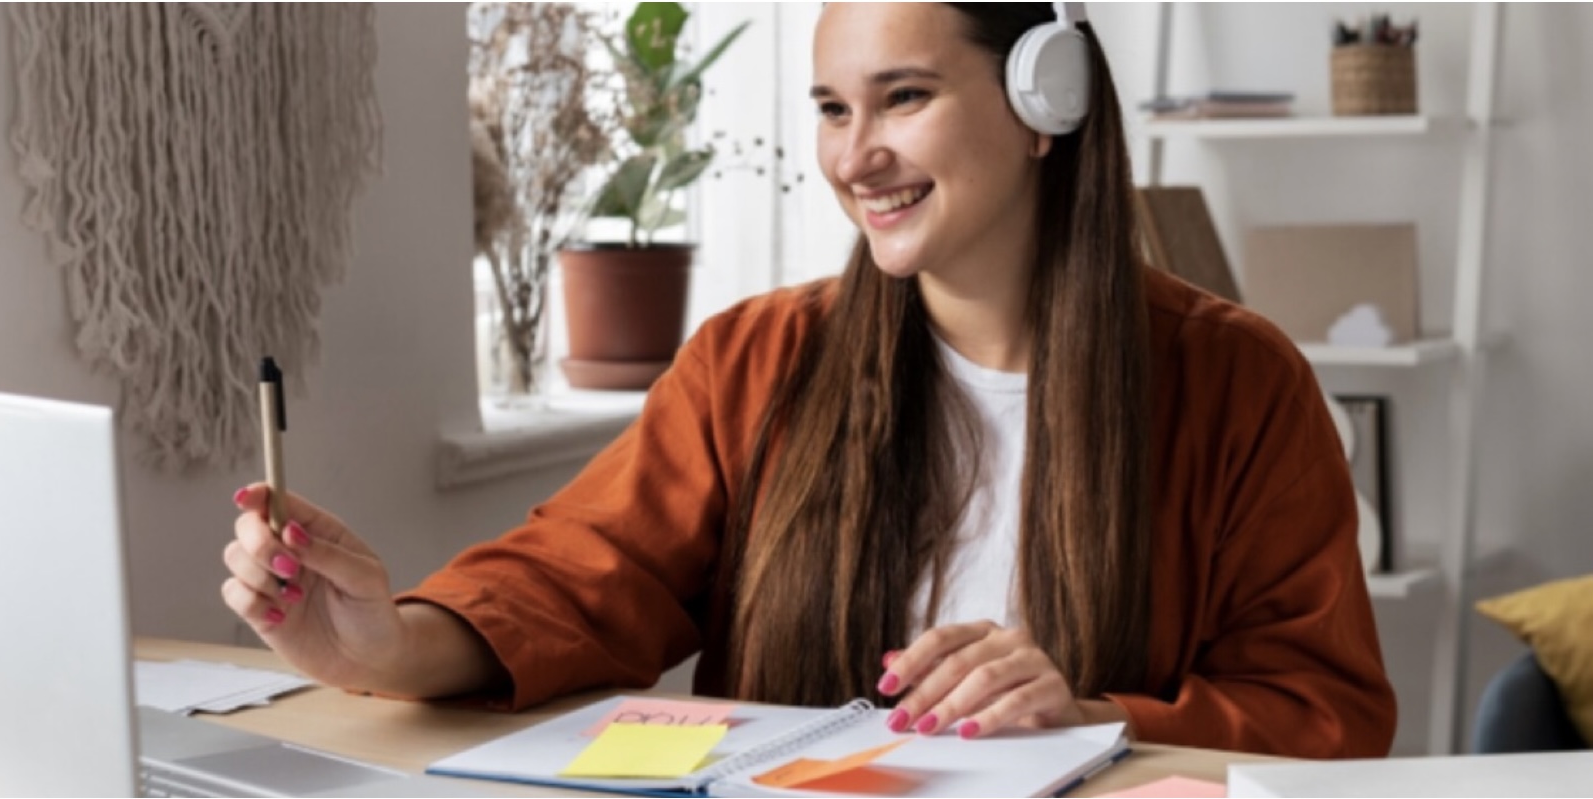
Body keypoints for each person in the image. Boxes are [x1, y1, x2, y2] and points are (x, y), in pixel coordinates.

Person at [223, 3, 1396, 759]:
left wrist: (1089, 717)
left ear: (1050, 106)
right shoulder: (757, 360)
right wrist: (379, 643)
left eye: (904, 98)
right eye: (834, 109)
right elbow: (582, 577)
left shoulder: (1240, 382)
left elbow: (1324, 713)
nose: (854, 156)